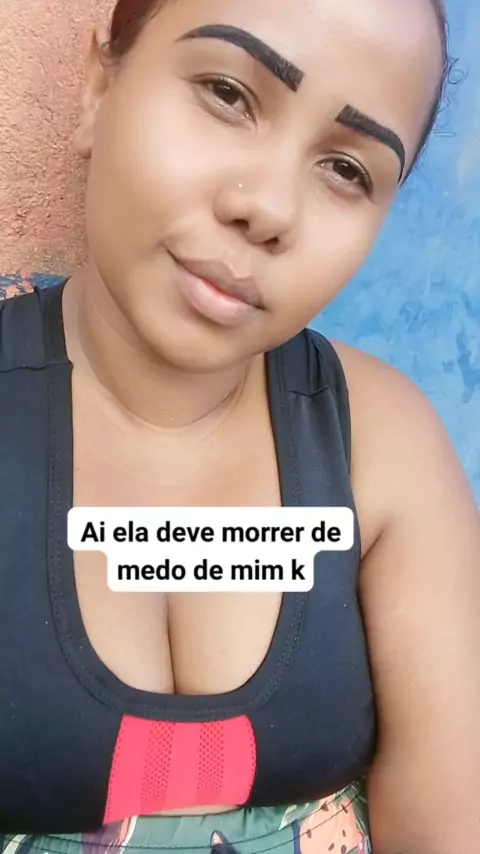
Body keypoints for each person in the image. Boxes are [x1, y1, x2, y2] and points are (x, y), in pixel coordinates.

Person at [1, 0, 479, 852]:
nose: (268, 208)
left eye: (347, 169)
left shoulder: (382, 447)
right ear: (100, 84)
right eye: (227, 93)